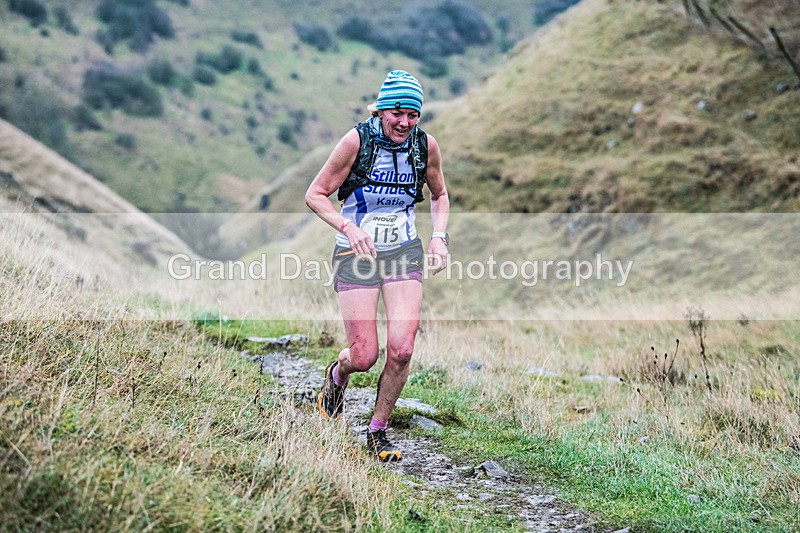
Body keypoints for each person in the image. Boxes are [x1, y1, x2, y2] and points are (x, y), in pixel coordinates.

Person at [304, 70, 449, 462]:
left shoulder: (425, 146)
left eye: (412, 115)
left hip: (403, 250)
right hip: (358, 254)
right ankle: (337, 376)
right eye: (397, 113)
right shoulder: (357, 141)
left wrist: (439, 236)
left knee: (402, 350)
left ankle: (377, 430)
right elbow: (315, 194)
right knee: (364, 356)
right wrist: (347, 226)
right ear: (381, 109)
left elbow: (439, 195)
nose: (404, 122)